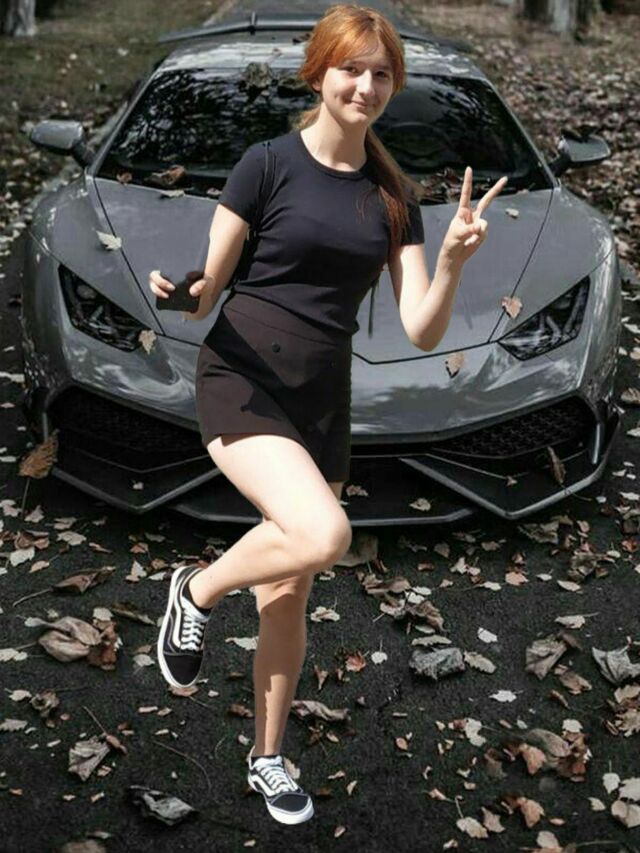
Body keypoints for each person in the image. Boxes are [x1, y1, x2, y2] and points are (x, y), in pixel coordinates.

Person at [149, 3, 506, 826]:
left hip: (321, 402)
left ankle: (267, 757)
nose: (366, 86)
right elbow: (209, 288)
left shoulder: (394, 196)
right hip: (243, 378)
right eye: (351, 68)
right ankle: (195, 591)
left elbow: (421, 327)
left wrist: (452, 262)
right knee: (325, 533)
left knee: (288, 590)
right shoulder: (266, 164)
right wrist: (183, 290)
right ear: (320, 72)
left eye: (382, 74)